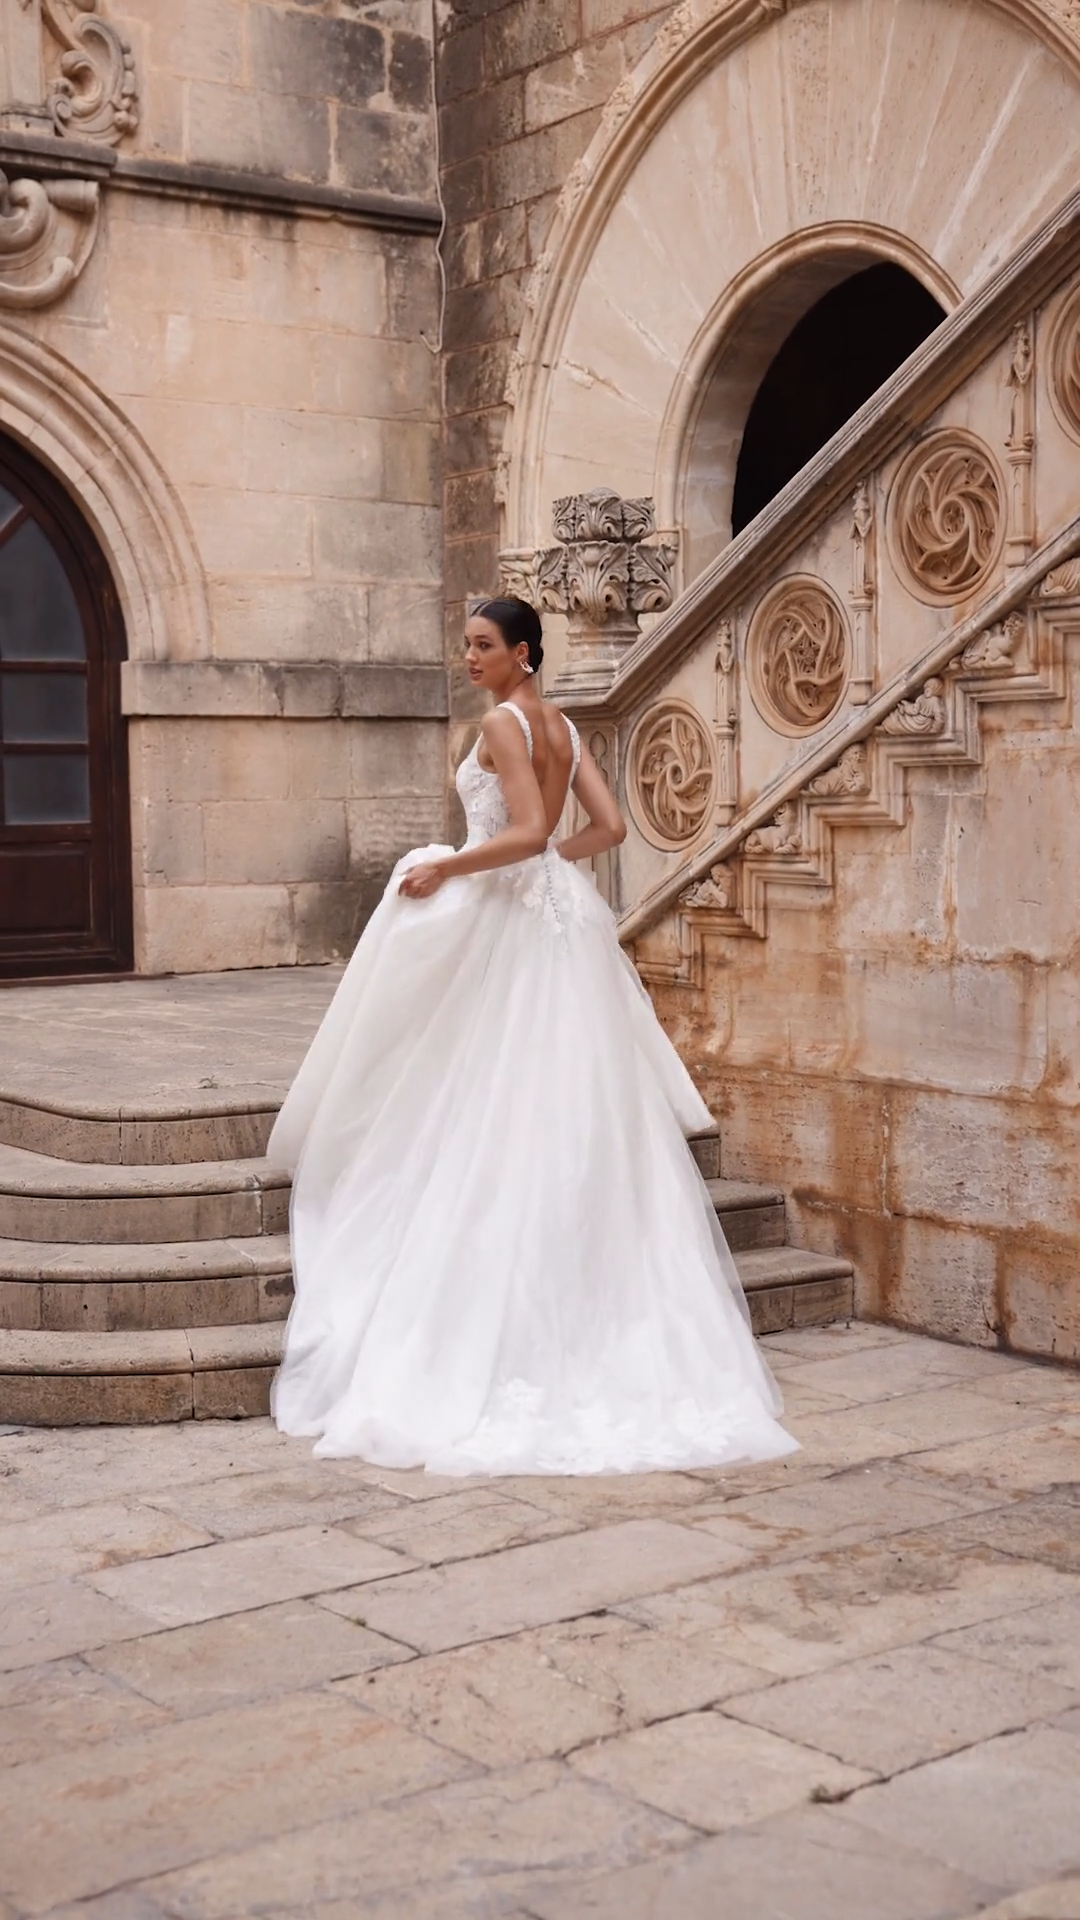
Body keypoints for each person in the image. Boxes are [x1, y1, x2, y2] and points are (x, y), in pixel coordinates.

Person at [268, 597, 795, 1473]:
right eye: (467, 644)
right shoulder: (563, 726)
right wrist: (541, 861)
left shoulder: (507, 723)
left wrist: (447, 865)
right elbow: (606, 831)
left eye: (484, 645)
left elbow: (524, 832)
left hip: (506, 912)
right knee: (542, 1087)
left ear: (523, 652)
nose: (470, 657)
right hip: (559, 915)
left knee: (479, 1079)